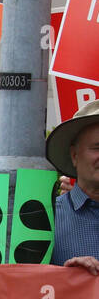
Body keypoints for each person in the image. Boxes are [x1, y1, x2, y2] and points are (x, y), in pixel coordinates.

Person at [46, 98, 99, 272]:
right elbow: (23, 286)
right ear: (74, 155)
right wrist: (66, 278)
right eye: (97, 147)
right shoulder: (48, 218)